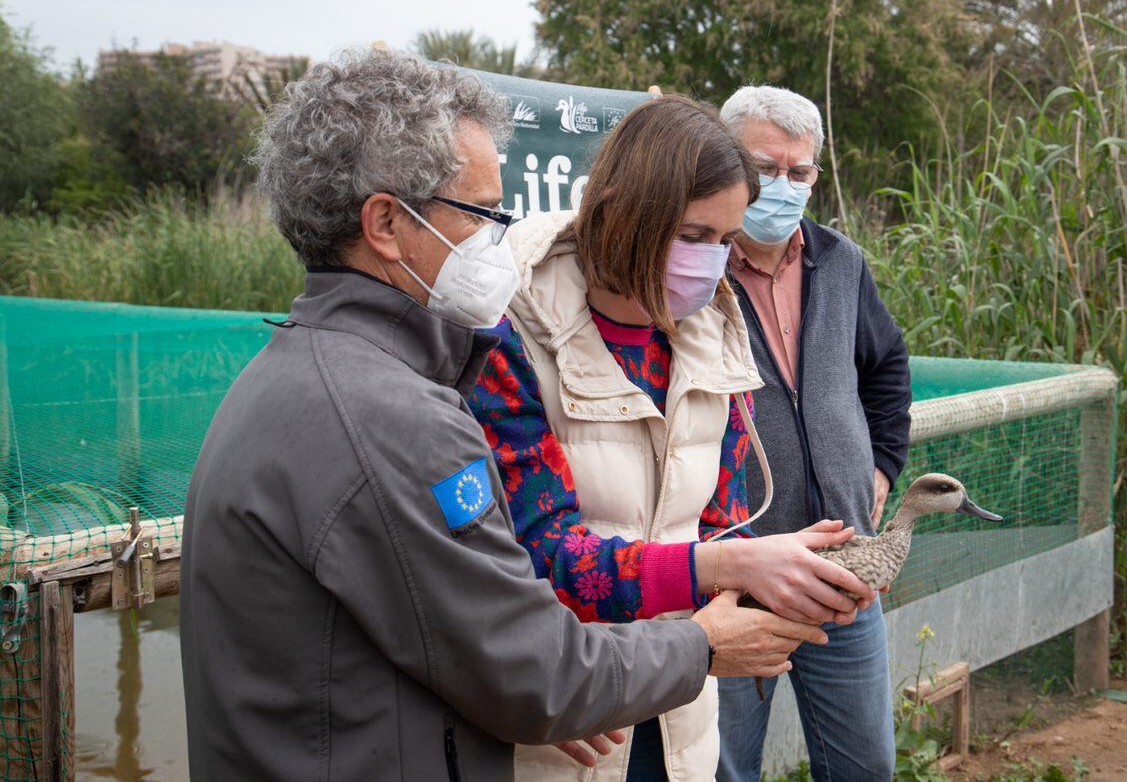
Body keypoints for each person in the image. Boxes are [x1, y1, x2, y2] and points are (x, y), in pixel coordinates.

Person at [179, 52, 826, 782]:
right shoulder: (398, 416)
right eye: (484, 215)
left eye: (723, 242)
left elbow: (445, 633)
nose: (501, 240)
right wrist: (700, 642)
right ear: (388, 223)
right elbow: (528, 663)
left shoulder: (296, 375)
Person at [467, 94, 876, 782]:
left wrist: (795, 582)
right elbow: (539, 548)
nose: (710, 262)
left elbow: (719, 519)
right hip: (566, 708)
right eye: (692, 235)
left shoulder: (715, 336)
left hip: (679, 704)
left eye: (725, 241)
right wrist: (729, 571)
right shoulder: (509, 333)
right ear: (626, 213)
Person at [715, 86, 913, 782]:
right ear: (726, 159)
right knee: (721, 767)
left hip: (842, 567)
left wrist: (882, 467)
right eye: (766, 168)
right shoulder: (692, 266)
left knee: (865, 764)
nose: (784, 186)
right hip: (729, 577)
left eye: (800, 173)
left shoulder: (841, 260)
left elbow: (887, 365)